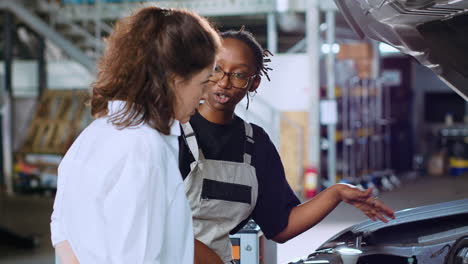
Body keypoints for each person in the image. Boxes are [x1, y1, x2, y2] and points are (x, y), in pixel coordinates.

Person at [178, 28, 396, 263]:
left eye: (239, 74)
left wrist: (336, 193)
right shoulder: (172, 133)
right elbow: (152, 220)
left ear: (254, 83)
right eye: (216, 69)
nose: (224, 81)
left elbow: (280, 225)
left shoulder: (254, 143)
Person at [50, 6, 221, 264]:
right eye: (203, 82)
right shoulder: (144, 149)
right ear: (175, 81)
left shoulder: (95, 134)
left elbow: (62, 232)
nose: (205, 94)